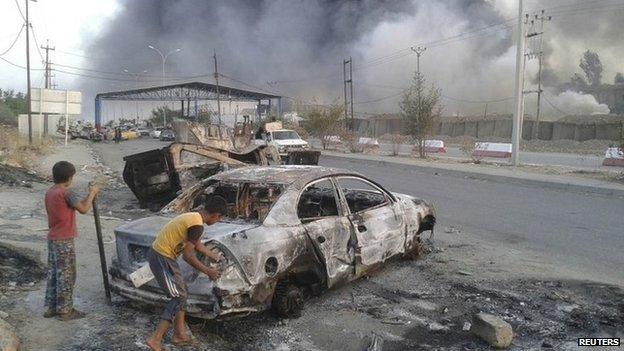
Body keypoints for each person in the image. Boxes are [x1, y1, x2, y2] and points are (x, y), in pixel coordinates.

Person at [146, 196, 226, 351]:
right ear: (216, 215)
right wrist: (208, 270)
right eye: (219, 218)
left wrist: (213, 255)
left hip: (164, 256)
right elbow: (187, 255)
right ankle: (155, 339)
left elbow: (196, 244)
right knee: (177, 297)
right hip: (162, 257)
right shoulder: (197, 226)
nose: (217, 221)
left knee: (182, 292)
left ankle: (179, 335)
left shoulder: (194, 218)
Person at [44, 161, 99, 320]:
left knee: (54, 274)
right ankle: (65, 311)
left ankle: (50, 308)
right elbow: (83, 209)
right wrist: (93, 193)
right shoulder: (66, 192)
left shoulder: (50, 192)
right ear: (69, 178)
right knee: (67, 276)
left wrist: (88, 195)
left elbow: (74, 203)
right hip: (64, 240)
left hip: (53, 238)